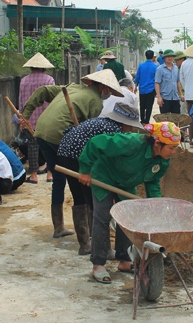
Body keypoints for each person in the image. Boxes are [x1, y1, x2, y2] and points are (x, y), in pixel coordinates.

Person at [21, 69, 123, 238]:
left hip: (41, 131)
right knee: (80, 182)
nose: (108, 94)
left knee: (58, 179)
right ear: (103, 87)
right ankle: (90, 232)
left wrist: (26, 115)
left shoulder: (71, 87)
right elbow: (85, 136)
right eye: (108, 90)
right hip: (61, 135)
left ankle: (59, 227)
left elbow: (43, 91)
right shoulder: (96, 102)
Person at [77, 122, 180, 284]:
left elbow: (152, 182)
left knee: (129, 219)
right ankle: (98, 263)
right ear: (158, 143)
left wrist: (156, 204)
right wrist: (85, 169)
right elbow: (96, 143)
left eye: (176, 148)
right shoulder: (131, 143)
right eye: (172, 148)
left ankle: (124, 260)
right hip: (104, 175)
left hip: (126, 183)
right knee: (103, 216)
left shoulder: (163, 160)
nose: (174, 152)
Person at [57, 102, 144, 255]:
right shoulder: (114, 131)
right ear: (124, 123)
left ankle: (86, 246)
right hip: (78, 157)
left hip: (64, 151)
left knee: (79, 198)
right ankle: (102, 248)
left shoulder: (103, 122)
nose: (131, 129)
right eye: (130, 125)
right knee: (95, 199)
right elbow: (106, 159)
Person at [15, 53, 54, 184]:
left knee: (32, 146)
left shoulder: (24, 81)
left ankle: (33, 176)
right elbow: (53, 100)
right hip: (46, 119)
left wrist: (22, 118)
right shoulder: (49, 80)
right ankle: (50, 174)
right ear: (44, 68)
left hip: (29, 120)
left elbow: (21, 102)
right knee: (49, 146)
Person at [155, 49, 184, 114]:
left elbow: (177, 82)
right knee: (165, 120)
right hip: (165, 98)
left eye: (172, 56)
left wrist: (181, 94)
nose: (170, 58)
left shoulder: (176, 68)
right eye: (168, 56)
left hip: (175, 97)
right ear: (164, 58)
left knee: (176, 118)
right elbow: (157, 83)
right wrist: (159, 97)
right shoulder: (160, 69)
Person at [134, 50, 159, 125]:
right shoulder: (155, 67)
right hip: (151, 89)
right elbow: (157, 79)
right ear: (153, 57)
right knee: (149, 106)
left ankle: (142, 120)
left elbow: (137, 77)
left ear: (146, 56)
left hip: (142, 89)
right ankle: (147, 120)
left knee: (142, 105)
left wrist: (135, 87)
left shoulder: (141, 66)